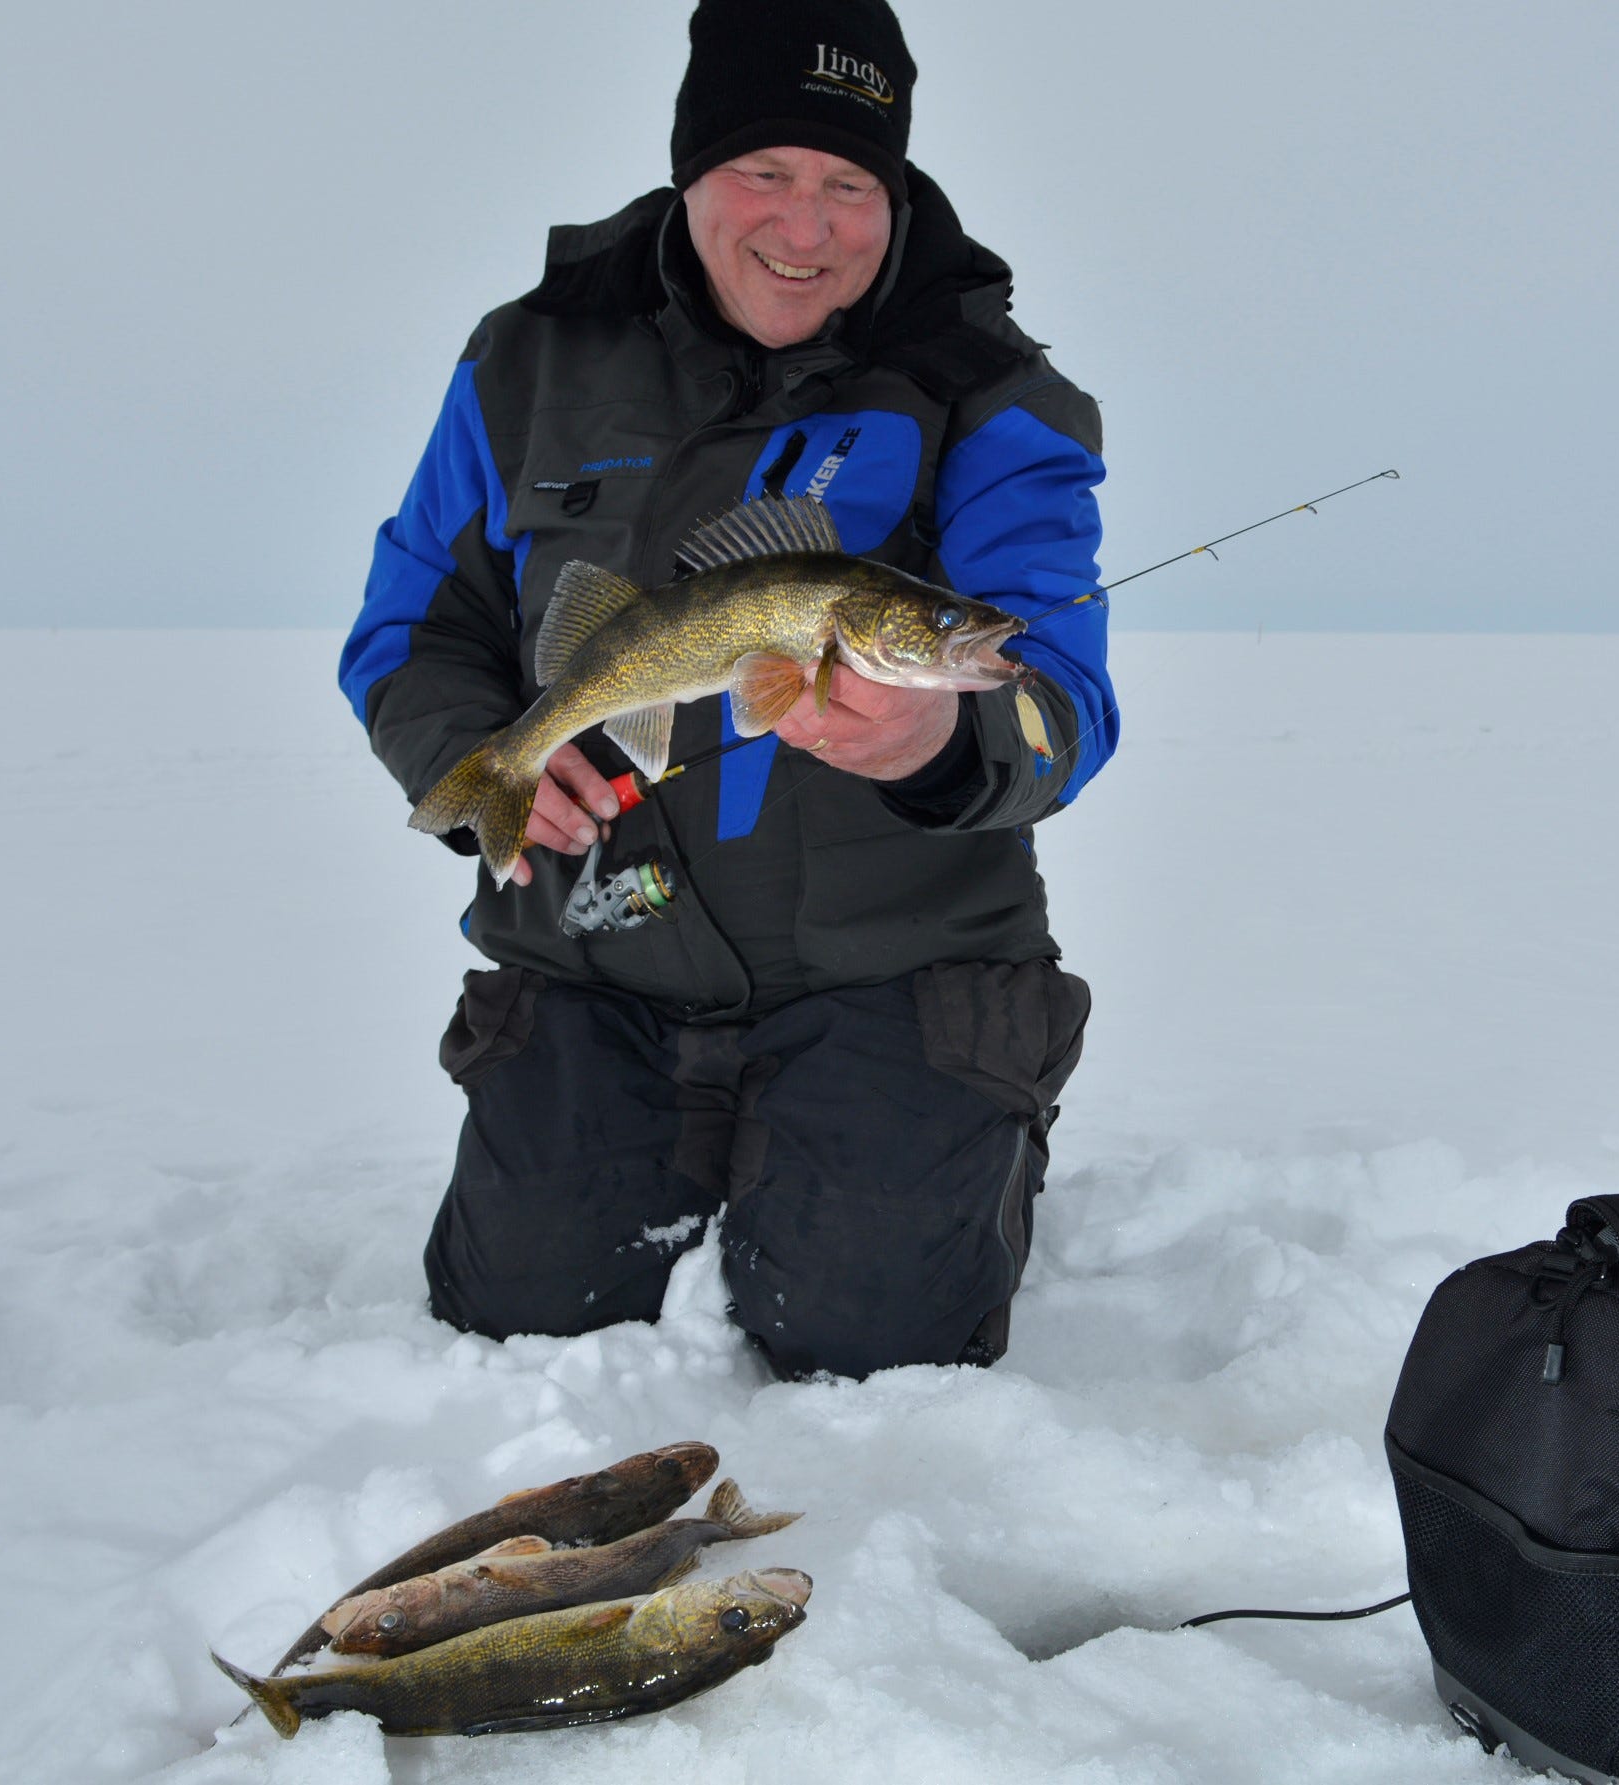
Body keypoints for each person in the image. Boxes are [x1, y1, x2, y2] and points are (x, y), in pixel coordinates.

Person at [337, 0, 1112, 1379]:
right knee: (520, 1313)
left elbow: (1058, 698)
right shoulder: (526, 360)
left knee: (867, 1334)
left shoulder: (994, 397)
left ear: (896, 193)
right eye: (764, 172)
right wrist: (481, 754)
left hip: (897, 967)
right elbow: (414, 622)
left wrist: (945, 732)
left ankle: (956, 1137)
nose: (803, 228)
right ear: (692, 168)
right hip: (594, 950)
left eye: (846, 185)